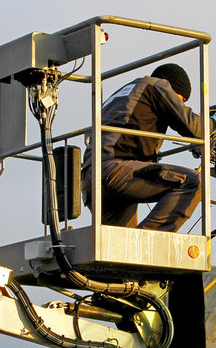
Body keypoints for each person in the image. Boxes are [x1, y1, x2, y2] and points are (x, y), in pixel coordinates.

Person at [82, 63, 202, 232]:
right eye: (179, 101)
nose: (178, 105)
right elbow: (196, 128)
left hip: (91, 179)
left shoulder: (125, 93)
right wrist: (215, 123)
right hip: (115, 171)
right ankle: (150, 243)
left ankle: (136, 248)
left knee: (123, 252)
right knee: (193, 182)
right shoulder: (157, 86)